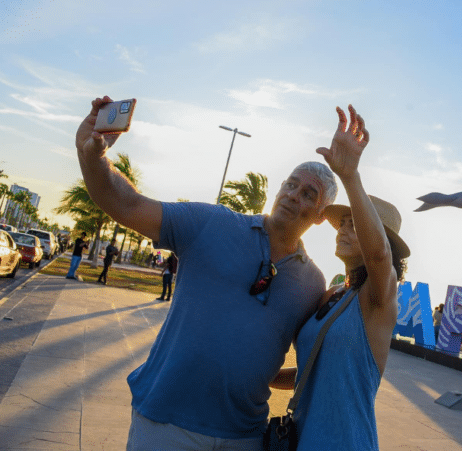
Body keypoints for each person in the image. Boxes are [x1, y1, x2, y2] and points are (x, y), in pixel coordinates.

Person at [75, 96, 339, 448]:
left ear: (321, 214)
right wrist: (93, 155)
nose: (293, 195)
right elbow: (126, 204)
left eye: (309, 194)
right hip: (166, 423)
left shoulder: (312, 283)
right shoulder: (211, 224)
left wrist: (258, 374)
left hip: (244, 435)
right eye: (291, 184)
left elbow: (307, 363)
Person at [270, 105, 409, 450]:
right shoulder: (332, 294)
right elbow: (311, 371)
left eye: (354, 224)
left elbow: (378, 257)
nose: (344, 229)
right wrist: (262, 375)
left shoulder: (379, 296)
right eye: (342, 223)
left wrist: (350, 176)